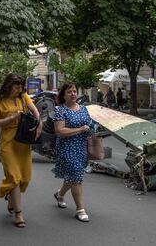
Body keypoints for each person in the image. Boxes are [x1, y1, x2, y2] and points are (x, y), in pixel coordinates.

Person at [0, 74, 42, 228]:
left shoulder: (23, 96)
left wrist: (39, 122)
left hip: (23, 142)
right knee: (14, 177)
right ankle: (19, 214)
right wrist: (11, 118)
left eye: (21, 87)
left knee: (24, 179)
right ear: (8, 86)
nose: (20, 89)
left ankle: (11, 197)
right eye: (16, 86)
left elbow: (35, 110)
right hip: (8, 143)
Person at [52, 82, 97, 222]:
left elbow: (88, 125)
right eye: (69, 92)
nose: (73, 94)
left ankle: (59, 194)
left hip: (81, 147)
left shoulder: (83, 109)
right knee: (76, 176)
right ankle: (80, 209)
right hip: (67, 148)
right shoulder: (60, 110)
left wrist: (92, 128)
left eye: (74, 91)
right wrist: (80, 129)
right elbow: (59, 131)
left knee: (73, 175)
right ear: (63, 95)